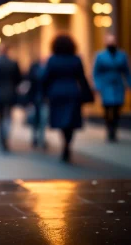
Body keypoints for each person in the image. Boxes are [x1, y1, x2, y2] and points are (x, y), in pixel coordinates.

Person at [43, 34, 93, 162]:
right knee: (71, 120)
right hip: (72, 92)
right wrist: (88, 94)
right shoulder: (76, 59)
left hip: (57, 93)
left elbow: (46, 78)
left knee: (60, 120)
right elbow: (82, 78)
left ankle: (64, 142)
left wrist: (44, 93)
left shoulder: (52, 59)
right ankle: (68, 143)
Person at [93, 34, 131, 142]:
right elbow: (96, 72)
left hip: (118, 85)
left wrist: (129, 83)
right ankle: (109, 129)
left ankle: (114, 129)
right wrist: (97, 85)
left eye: (112, 41)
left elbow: (126, 71)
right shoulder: (100, 56)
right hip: (106, 85)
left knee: (117, 108)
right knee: (107, 107)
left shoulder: (122, 55)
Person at [0, 44, 22, 151]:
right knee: (8, 116)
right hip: (10, 94)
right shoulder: (13, 63)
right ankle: (6, 136)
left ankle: (1, 138)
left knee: (0, 117)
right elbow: (19, 79)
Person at [27, 57, 48, 149]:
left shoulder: (46, 69)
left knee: (42, 119)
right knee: (37, 119)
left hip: (42, 98)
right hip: (36, 98)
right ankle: (37, 138)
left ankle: (40, 138)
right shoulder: (35, 68)